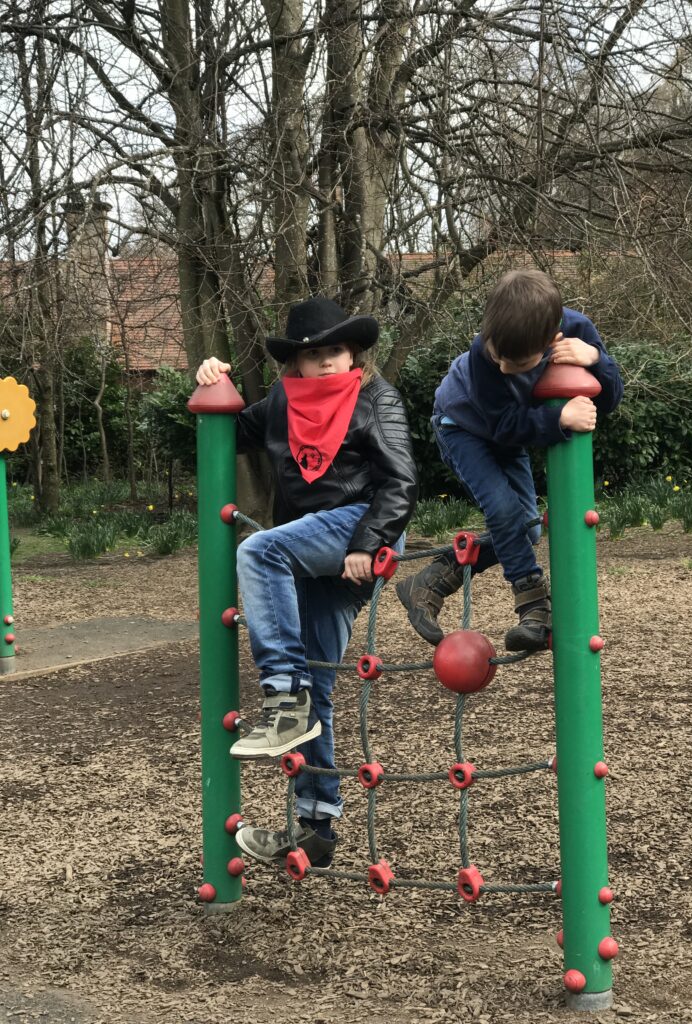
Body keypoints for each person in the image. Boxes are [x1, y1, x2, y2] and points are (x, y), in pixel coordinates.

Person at [195, 298, 418, 868]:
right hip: (308, 550)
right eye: (311, 355)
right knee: (319, 685)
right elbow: (227, 427)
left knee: (260, 549)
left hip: (354, 527)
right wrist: (210, 379)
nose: (323, 364)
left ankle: (280, 695)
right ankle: (317, 826)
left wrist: (369, 543)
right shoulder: (279, 405)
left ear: (354, 355)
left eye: (334, 352)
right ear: (293, 364)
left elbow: (400, 482)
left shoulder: (376, 399)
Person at [396, 269, 623, 651]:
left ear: (552, 341)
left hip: (510, 427)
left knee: (527, 531)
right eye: (497, 357)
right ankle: (533, 604)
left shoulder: (577, 331)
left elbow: (611, 397)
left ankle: (433, 580)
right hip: (462, 425)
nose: (503, 368)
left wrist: (595, 358)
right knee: (503, 511)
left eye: (516, 364)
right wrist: (557, 419)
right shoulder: (482, 351)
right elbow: (502, 425)